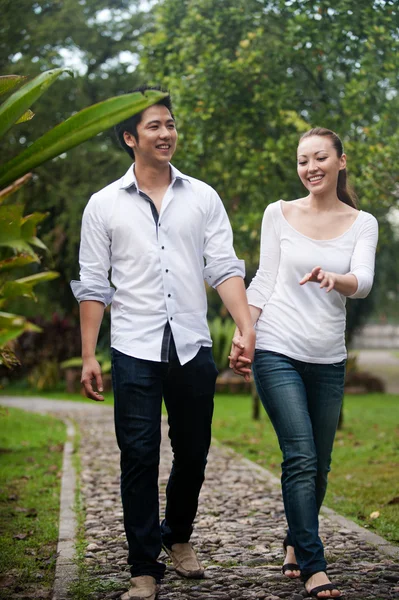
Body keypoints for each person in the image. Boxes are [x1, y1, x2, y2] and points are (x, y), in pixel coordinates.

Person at [70, 86, 255, 600]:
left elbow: (223, 266)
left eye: (170, 124)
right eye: (154, 126)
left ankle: (178, 536)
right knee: (139, 455)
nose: (166, 133)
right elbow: (92, 283)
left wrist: (245, 326)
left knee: (194, 451)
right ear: (130, 137)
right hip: (134, 346)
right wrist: (89, 353)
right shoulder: (103, 204)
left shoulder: (203, 197)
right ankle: (143, 567)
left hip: (192, 344)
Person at [229, 127, 378, 598]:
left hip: (328, 356)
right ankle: (315, 566)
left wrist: (338, 278)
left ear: (340, 162)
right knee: (300, 456)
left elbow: (366, 281)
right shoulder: (278, 213)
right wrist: (244, 332)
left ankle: (296, 539)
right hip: (277, 348)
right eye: (302, 160)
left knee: (321, 466)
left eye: (319, 158)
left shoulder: (363, 222)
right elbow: (265, 277)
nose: (310, 167)